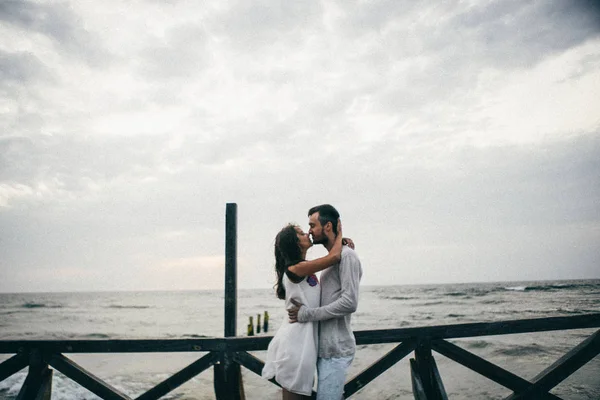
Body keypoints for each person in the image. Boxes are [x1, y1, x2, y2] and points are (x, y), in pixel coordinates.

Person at [262, 221, 348, 399]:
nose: (306, 234)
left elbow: (332, 257)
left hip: (305, 341)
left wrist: (340, 242)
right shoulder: (296, 269)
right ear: (294, 243)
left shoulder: (305, 267)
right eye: (301, 233)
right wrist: (338, 235)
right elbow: (333, 258)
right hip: (296, 343)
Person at [288, 204, 363, 400]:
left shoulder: (347, 257)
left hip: (336, 350)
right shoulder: (332, 260)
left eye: (312, 225)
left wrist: (306, 314)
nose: (309, 231)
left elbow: (349, 302)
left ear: (327, 226)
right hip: (322, 349)